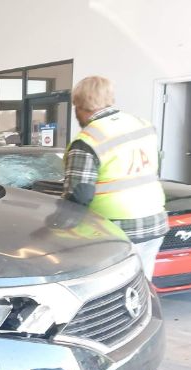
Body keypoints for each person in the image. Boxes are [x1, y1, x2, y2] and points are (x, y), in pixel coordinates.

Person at [63, 76, 168, 279]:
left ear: (79, 105)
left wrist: (60, 226)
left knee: (113, 291)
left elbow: (79, 195)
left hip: (114, 229)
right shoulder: (143, 125)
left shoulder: (88, 139)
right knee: (142, 285)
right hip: (154, 221)